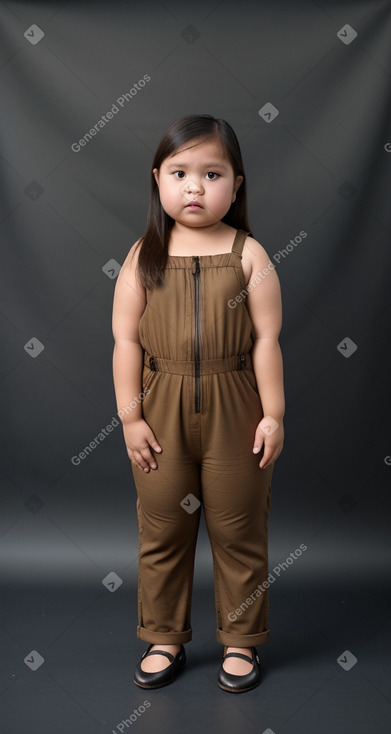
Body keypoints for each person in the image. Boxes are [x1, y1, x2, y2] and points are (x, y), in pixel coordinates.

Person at [112, 114, 285, 693]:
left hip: (236, 406)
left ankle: (242, 641)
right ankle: (164, 636)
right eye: (180, 172)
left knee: (239, 528)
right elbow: (126, 342)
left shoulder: (250, 255)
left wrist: (273, 414)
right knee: (163, 525)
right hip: (159, 408)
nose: (194, 187)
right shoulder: (143, 257)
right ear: (157, 180)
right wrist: (131, 417)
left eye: (212, 173)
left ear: (236, 185)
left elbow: (266, 341)